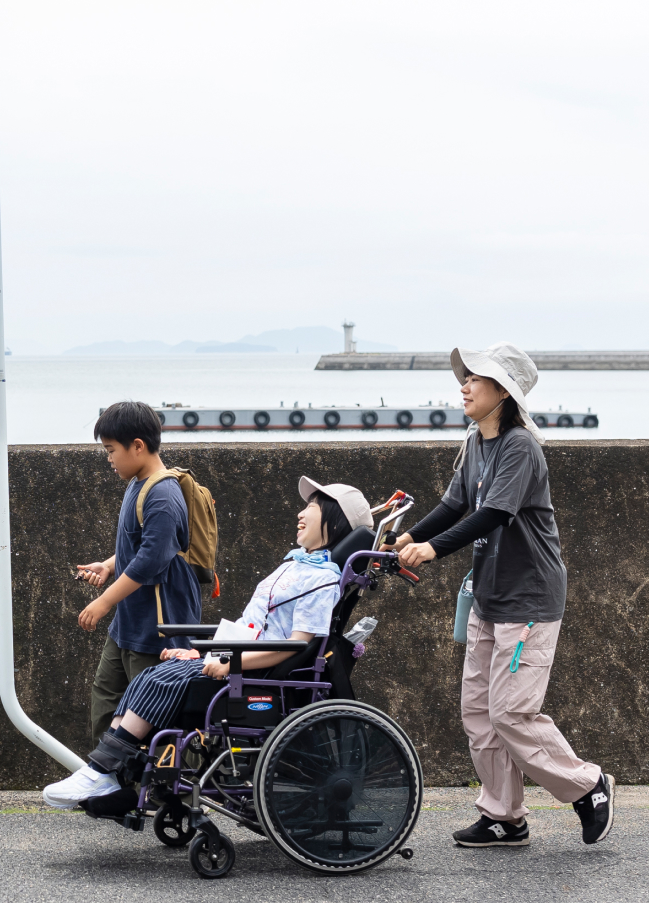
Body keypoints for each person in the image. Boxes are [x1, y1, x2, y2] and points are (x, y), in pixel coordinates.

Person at [389, 343, 613, 847]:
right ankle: (504, 816)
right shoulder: (475, 441)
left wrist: (431, 550)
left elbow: (492, 513)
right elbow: (454, 506)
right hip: (488, 593)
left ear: (503, 392)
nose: (463, 386)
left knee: (511, 713)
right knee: (478, 711)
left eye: (476, 379)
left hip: (528, 597)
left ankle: (589, 786)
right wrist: (408, 537)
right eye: (464, 377)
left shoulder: (519, 446)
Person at [46, 478, 369, 806]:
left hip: (257, 674)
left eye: (311, 507)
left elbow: (296, 645)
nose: (300, 513)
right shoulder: (292, 567)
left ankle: (102, 771)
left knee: (162, 681)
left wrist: (227, 662)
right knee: (154, 673)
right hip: (239, 657)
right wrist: (202, 651)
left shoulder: (323, 580)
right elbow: (249, 627)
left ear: (336, 520)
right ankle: (109, 773)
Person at [75, 402, 203, 748]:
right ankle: (109, 782)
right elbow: (139, 545)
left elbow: (150, 561)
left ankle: (159, 791)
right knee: (106, 699)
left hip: (158, 624)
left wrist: (102, 603)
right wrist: (109, 564)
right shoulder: (138, 483)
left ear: (137, 446)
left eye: (111, 450)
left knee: (155, 715)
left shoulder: (162, 494)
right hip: (129, 622)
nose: (109, 458)